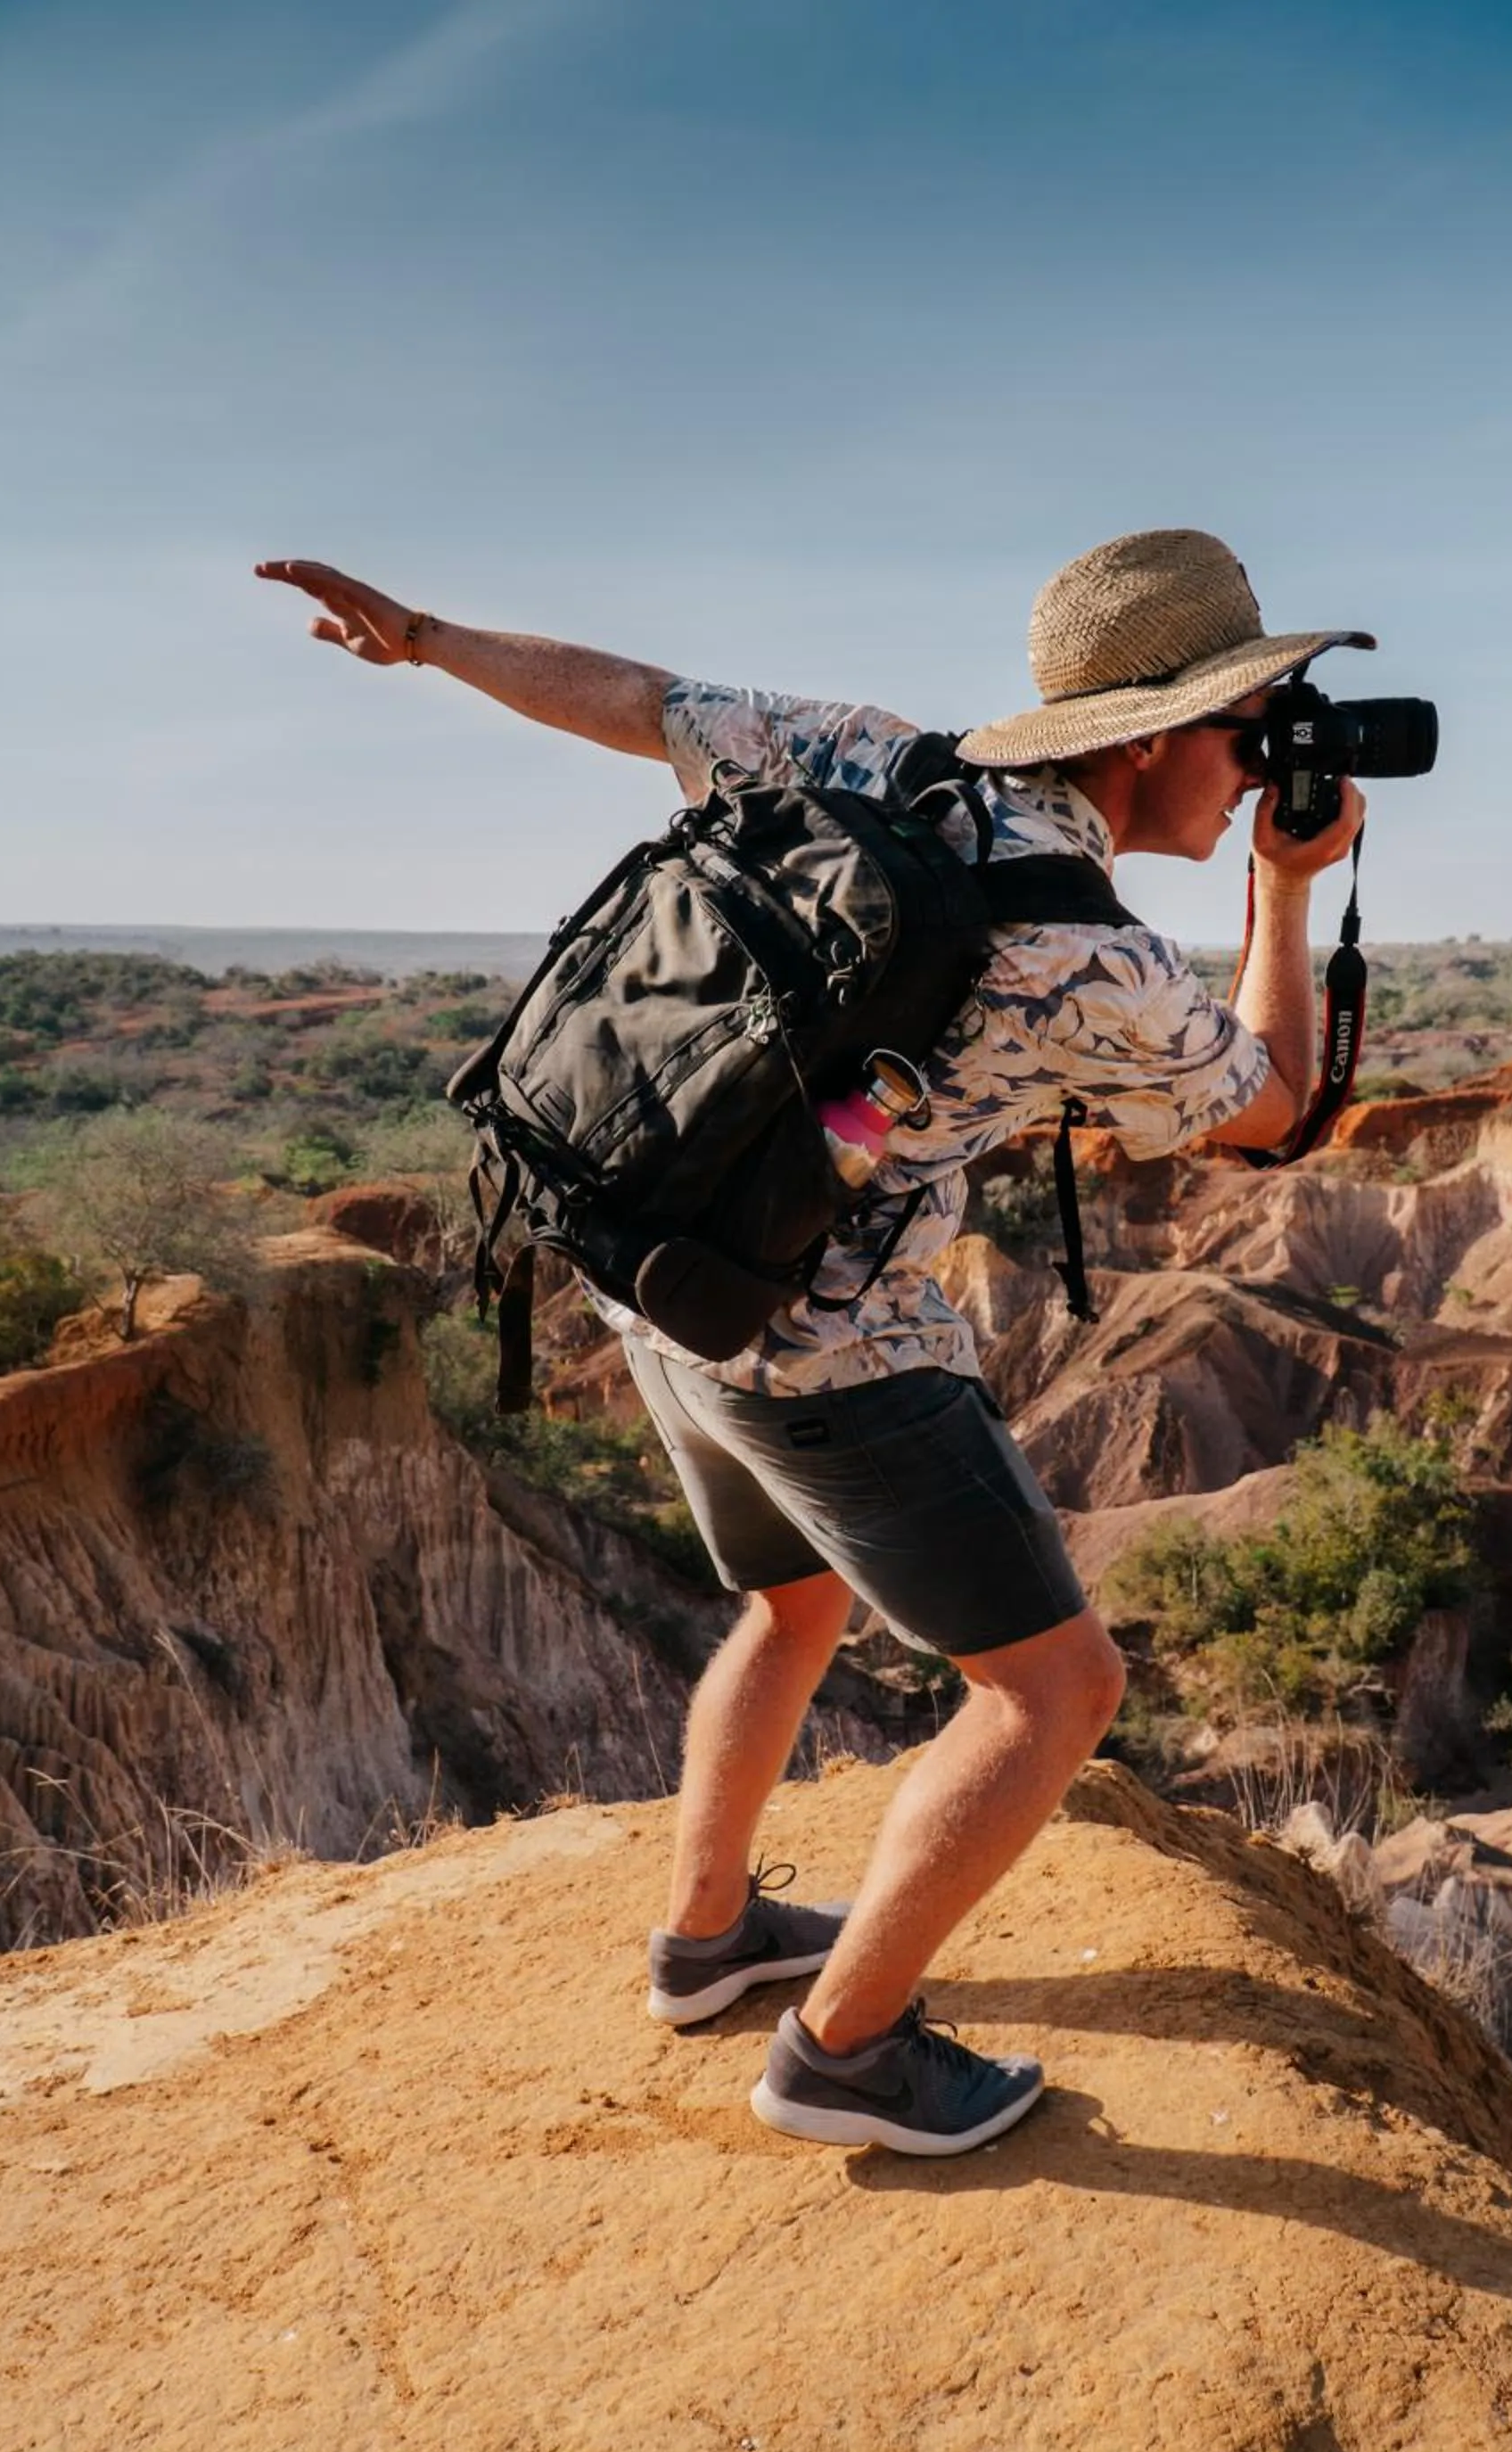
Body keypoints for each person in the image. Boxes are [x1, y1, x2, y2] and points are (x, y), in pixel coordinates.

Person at [258, 530, 1370, 2157]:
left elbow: (635, 701)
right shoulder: (1088, 957)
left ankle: (705, 1945)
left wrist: (427, 638)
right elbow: (1270, 1114)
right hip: (831, 1354)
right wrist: (1285, 890)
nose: (1266, 764)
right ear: (1149, 732)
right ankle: (843, 2054)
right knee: (1055, 1693)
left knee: (788, 1604)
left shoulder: (874, 755)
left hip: (662, 1287)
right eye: (1251, 726)